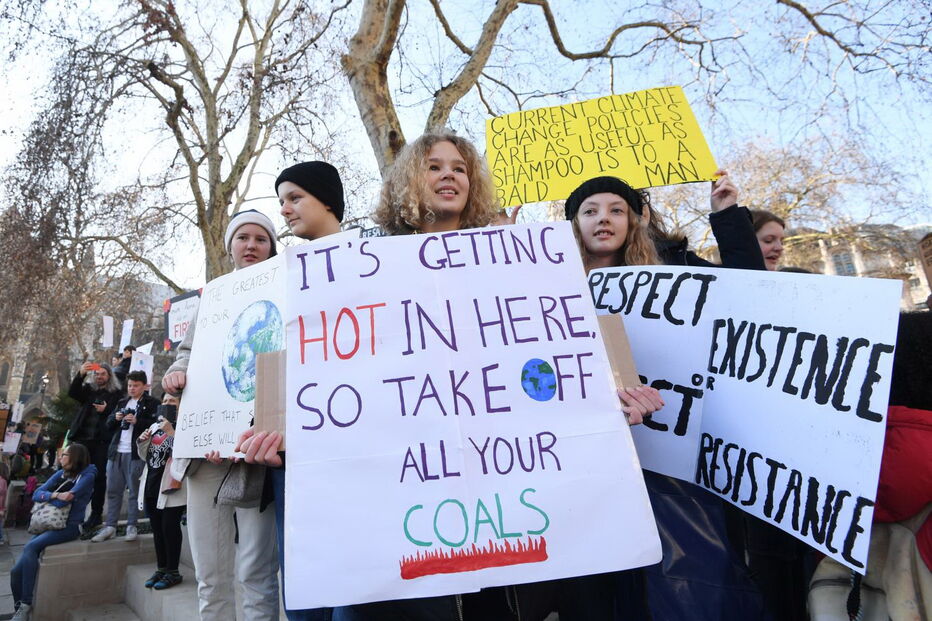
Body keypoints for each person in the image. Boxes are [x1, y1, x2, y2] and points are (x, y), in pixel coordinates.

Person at [334, 131, 662, 621]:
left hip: (503, 498)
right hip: (411, 493)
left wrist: (605, 401)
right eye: (434, 166)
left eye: (460, 168)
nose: (449, 174)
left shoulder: (515, 264)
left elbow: (547, 364)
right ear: (406, 180)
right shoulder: (361, 265)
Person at [564, 173, 770, 621]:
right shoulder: (550, 287)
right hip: (589, 465)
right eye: (590, 211)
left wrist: (727, 217)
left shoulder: (674, 273)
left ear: (634, 222)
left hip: (668, 465)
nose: (604, 219)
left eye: (617, 210)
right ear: (573, 225)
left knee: (673, 589)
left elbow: (752, 295)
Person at [236, 161, 345, 621]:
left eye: (295, 197)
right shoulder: (277, 275)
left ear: (327, 200)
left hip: (348, 449)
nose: (284, 209)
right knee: (301, 584)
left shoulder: (369, 257)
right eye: (281, 200)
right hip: (291, 454)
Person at [162, 209, 281, 621]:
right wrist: (176, 374)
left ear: (272, 246)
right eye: (243, 238)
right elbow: (187, 355)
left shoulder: (288, 292)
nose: (251, 245)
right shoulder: (211, 298)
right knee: (210, 574)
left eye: (260, 239)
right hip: (205, 457)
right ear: (230, 245)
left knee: (256, 571)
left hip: (256, 458)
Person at [10, 443, 97, 621]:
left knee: (31, 548)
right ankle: (19, 609)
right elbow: (36, 494)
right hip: (49, 525)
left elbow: (68, 500)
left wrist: (53, 498)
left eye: (64, 455)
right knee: (15, 572)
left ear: (75, 458)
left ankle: (26, 605)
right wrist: (55, 495)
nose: (60, 457)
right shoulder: (60, 474)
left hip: (69, 527)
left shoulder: (87, 475)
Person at [91, 370, 158, 542]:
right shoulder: (122, 402)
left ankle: (131, 525)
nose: (132, 389)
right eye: (130, 385)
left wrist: (138, 422)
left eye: (136, 385)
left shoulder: (151, 403)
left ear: (144, 386)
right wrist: (116, 417)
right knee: (113, 490)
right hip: (116, 452)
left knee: (134, 492)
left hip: (136, 454)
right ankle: (110, 526)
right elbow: (108, 424)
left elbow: (157, 426)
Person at [136, 392, 187, 590]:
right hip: (151, 483)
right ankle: (161, 568)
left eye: (172, 401)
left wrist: (172, 432)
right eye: (164, 400)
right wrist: (142, 441)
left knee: (169, 527)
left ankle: (173, 571)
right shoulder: (155, 426)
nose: (167, 404)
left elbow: (185, 454)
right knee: (157, 529)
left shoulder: (184, 425)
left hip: (171, 487)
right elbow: (144, 456)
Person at [67, 361, 122, 531]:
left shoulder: (116, 394)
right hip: (83, 440)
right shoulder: (89, 390)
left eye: (103, 374)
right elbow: (73, 392)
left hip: (101, 442)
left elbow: (117, 415)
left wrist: (106, 410)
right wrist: (81, 374)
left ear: (109, 376)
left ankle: (96, 514)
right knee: (76, 475)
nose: (99, 377)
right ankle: (71, 512)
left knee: (99, 479)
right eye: (97, 374)